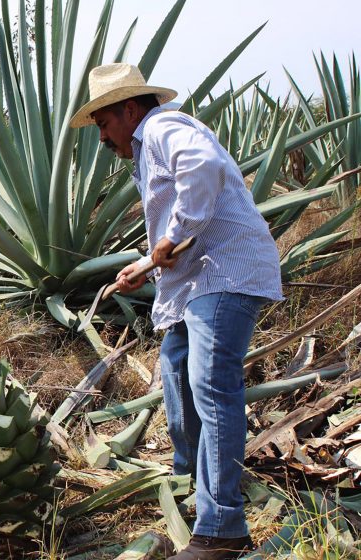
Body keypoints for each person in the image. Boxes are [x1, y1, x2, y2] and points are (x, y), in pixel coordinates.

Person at [70, 63, 283, 560]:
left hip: (224, 274)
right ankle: (194, 484)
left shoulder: (164, 126)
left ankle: (221, 528)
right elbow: (176, 230)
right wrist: (144, 264)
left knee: (211, 387)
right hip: (194, 282)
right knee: (177, 378)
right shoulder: (147, 147)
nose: (102, 136)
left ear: (128, 109)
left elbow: (202, 167)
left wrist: (170, 237)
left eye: (103, 124)